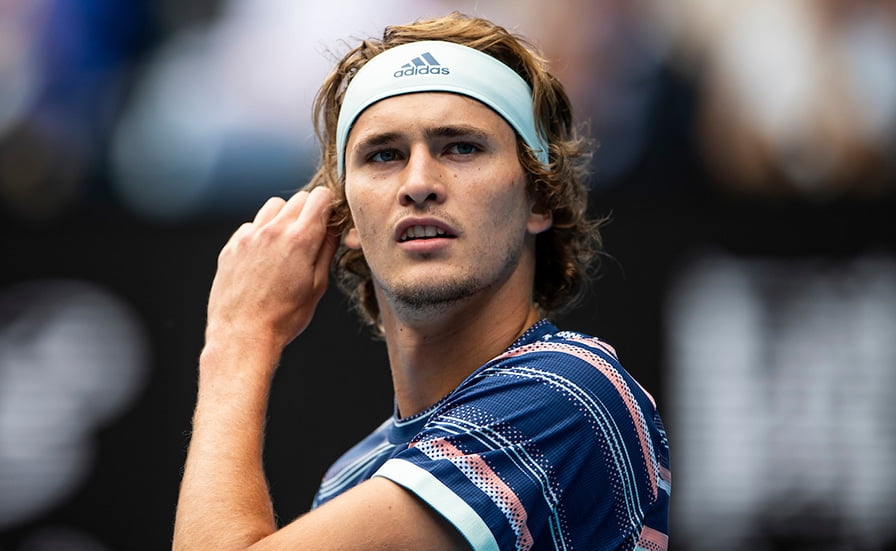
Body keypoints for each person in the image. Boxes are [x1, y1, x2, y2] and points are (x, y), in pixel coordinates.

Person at [173, 12, 670, 551]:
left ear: (539, 197)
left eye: (460, 147)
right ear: (345, 218)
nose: (418, 183)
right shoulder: (352, 477)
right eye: (384, 155)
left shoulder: (567, 393)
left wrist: (239, 337)